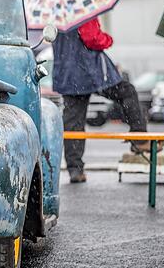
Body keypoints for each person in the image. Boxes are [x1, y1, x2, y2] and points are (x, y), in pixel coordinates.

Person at [53, 17, 151, 183]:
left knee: (73, 123)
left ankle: (75, 169)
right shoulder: (83, 9)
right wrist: (107, 39)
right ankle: (139, 138)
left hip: (67, 74)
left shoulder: (56, 13)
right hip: (90, 71)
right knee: (127, 93)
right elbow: (91, 38)